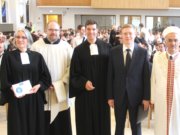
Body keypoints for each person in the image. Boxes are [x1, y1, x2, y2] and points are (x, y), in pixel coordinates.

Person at [0, 29, 52, 135]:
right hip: (17, 99)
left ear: (28, 39)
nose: (20, 40)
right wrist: (12, 88)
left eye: (23, 37)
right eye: (17, 37)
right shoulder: (8, 57)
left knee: (35, 127)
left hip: (35, 99)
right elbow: (3, 79)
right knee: (18, 128)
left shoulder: (37, 57)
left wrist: (39, 86)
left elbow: (46, 77)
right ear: (14, 39)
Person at [107, 24, 150, 135]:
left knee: (136, 128)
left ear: (135, 34)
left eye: (130, 33)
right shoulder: (113, 52)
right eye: (125, 33)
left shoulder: (143, 52)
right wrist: (110, 96)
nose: (128, 36)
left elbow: (146, 77)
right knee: (119, 127)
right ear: (121, 35)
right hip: (118, 95)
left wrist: (146, 98)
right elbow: (110, 75)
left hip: (137, 97)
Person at [69, 19, 111, 135]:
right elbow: (74, 73)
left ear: (97, 30)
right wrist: (83, 83)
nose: (91, 32)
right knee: (85, 124)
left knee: (102, 124)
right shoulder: (78, 50)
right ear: (84, 30)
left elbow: (111, 71)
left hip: (102, 94)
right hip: (84, 95)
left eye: (93, 29)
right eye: (88, 29)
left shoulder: (107, 47)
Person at [31, 20, 73, 135]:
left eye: (55, 30)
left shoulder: (66, 47)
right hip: (42, 90)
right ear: (46, 30)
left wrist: (61, 83)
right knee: (43, 120)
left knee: (61, 121)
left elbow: (72, 67)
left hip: (60, 89)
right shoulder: (36, 46)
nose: (53, 32)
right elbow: (32, 69)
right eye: (50, 29)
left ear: (60, 31)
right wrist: (42, 83)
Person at [151, 26, 180, 135]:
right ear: (165, 42)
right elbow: (153, 78)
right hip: (161, 99)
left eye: (176, 40)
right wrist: (152, 99)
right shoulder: (157, 58)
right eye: (170, 40)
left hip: (178, 100)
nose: (173, 43)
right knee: (161, 126)